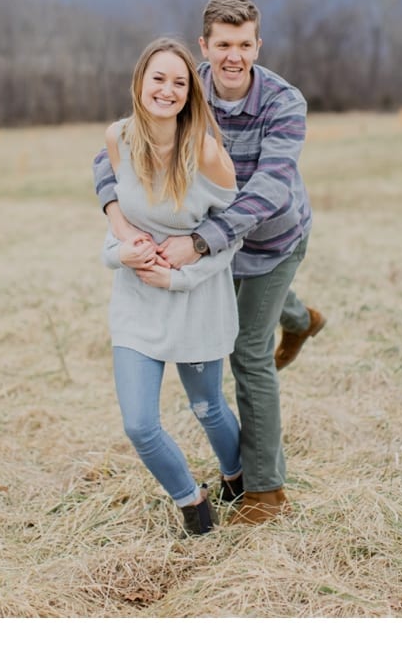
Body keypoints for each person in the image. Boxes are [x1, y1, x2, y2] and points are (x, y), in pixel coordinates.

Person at [94, 0, 322, 525]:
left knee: (247, 351)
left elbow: (268, 190)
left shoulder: (285, 103)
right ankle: (301, 318)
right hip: (209, 251)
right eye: (223, 44)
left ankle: (265, 492)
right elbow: (108, 157)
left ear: (257, 46)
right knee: (245, 306)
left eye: (244, 45)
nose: (233, 56)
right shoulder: (185, 88)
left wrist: (196, 244)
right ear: (206, 46)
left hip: (270, 244)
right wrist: (119, 221)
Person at [101, 37, 242, 535]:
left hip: (195, 300)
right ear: (139, 82)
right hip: (137, 303)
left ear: (189, 93)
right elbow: (115, 229)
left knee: (207, 406)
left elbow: (231, 235)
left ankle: (238, 478)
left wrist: (179, 274)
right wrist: (123, 253)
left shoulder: (205, 152)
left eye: (179, 82)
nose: (167, 89)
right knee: (139, 423)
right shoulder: (117, 138)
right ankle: (193, 504)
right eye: (158, 78)